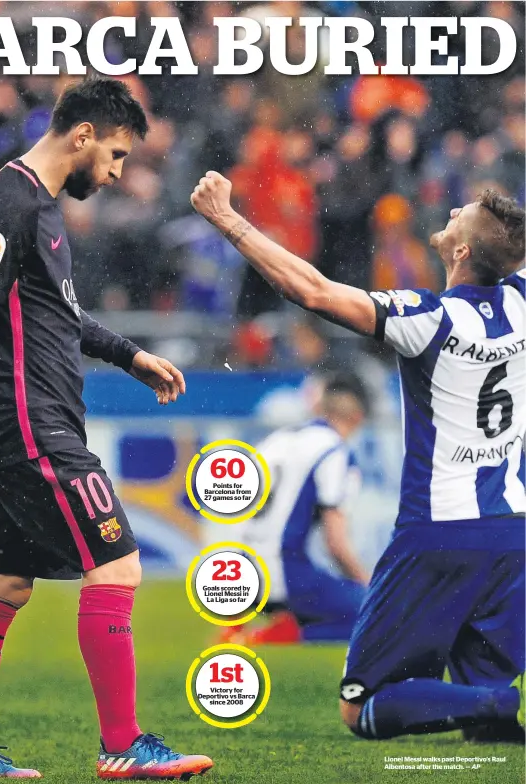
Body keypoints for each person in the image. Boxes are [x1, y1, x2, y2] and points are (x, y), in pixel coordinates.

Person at [0, 77, 213, 781]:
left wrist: (131, 355)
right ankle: (123, 743)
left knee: (2, 585)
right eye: (114, 155)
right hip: (31, 423)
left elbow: (59, 314)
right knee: (117, 563)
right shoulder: (8, 200)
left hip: (23, 424)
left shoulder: (38, 208)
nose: (114, 173)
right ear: (82, 136)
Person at [191, 172, 525, 741]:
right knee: (480, 718)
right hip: (514, 531)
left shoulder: (429, 318)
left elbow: (314, 292)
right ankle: (495, 709)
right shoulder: (520, 302)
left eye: (457, 217)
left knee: (361, 708)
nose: (447, 215)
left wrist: (227, 219)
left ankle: (497, 703)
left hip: (438, 532)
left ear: (464, 250)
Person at [237, 374, 369, 645]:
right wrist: (368, 585)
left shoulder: (281, 438)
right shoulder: (334, 450)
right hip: (285, 575)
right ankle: (282, 635)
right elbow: (336, 543)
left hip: (243, 575)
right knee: (378, 611)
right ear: (357, 418)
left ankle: (248, 627)